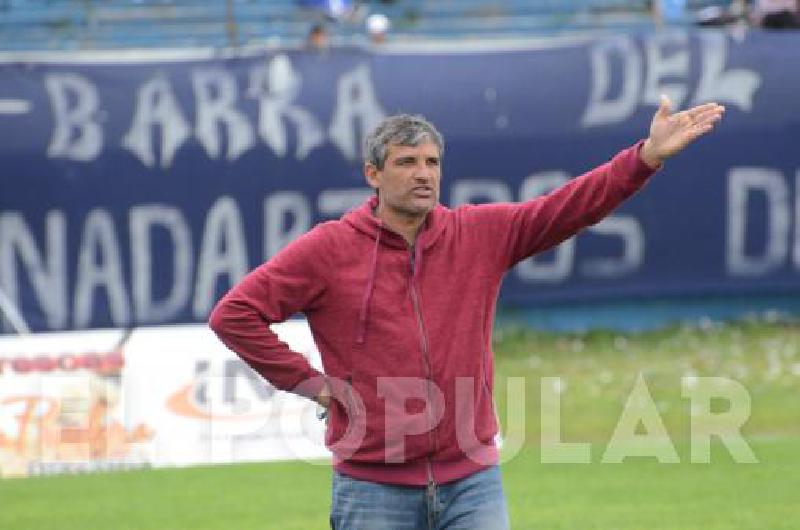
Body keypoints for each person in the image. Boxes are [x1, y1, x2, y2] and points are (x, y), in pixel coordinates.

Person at [209, 96, 725, 529]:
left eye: (432, 163)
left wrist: (645, 158)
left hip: (472, 480)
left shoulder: (478, 233)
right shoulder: (328, 248)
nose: (423, 175)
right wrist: (316, 386)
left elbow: (568, 207)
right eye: (407, 163)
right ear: (373, 174)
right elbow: (235, 315)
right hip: (372, 487)